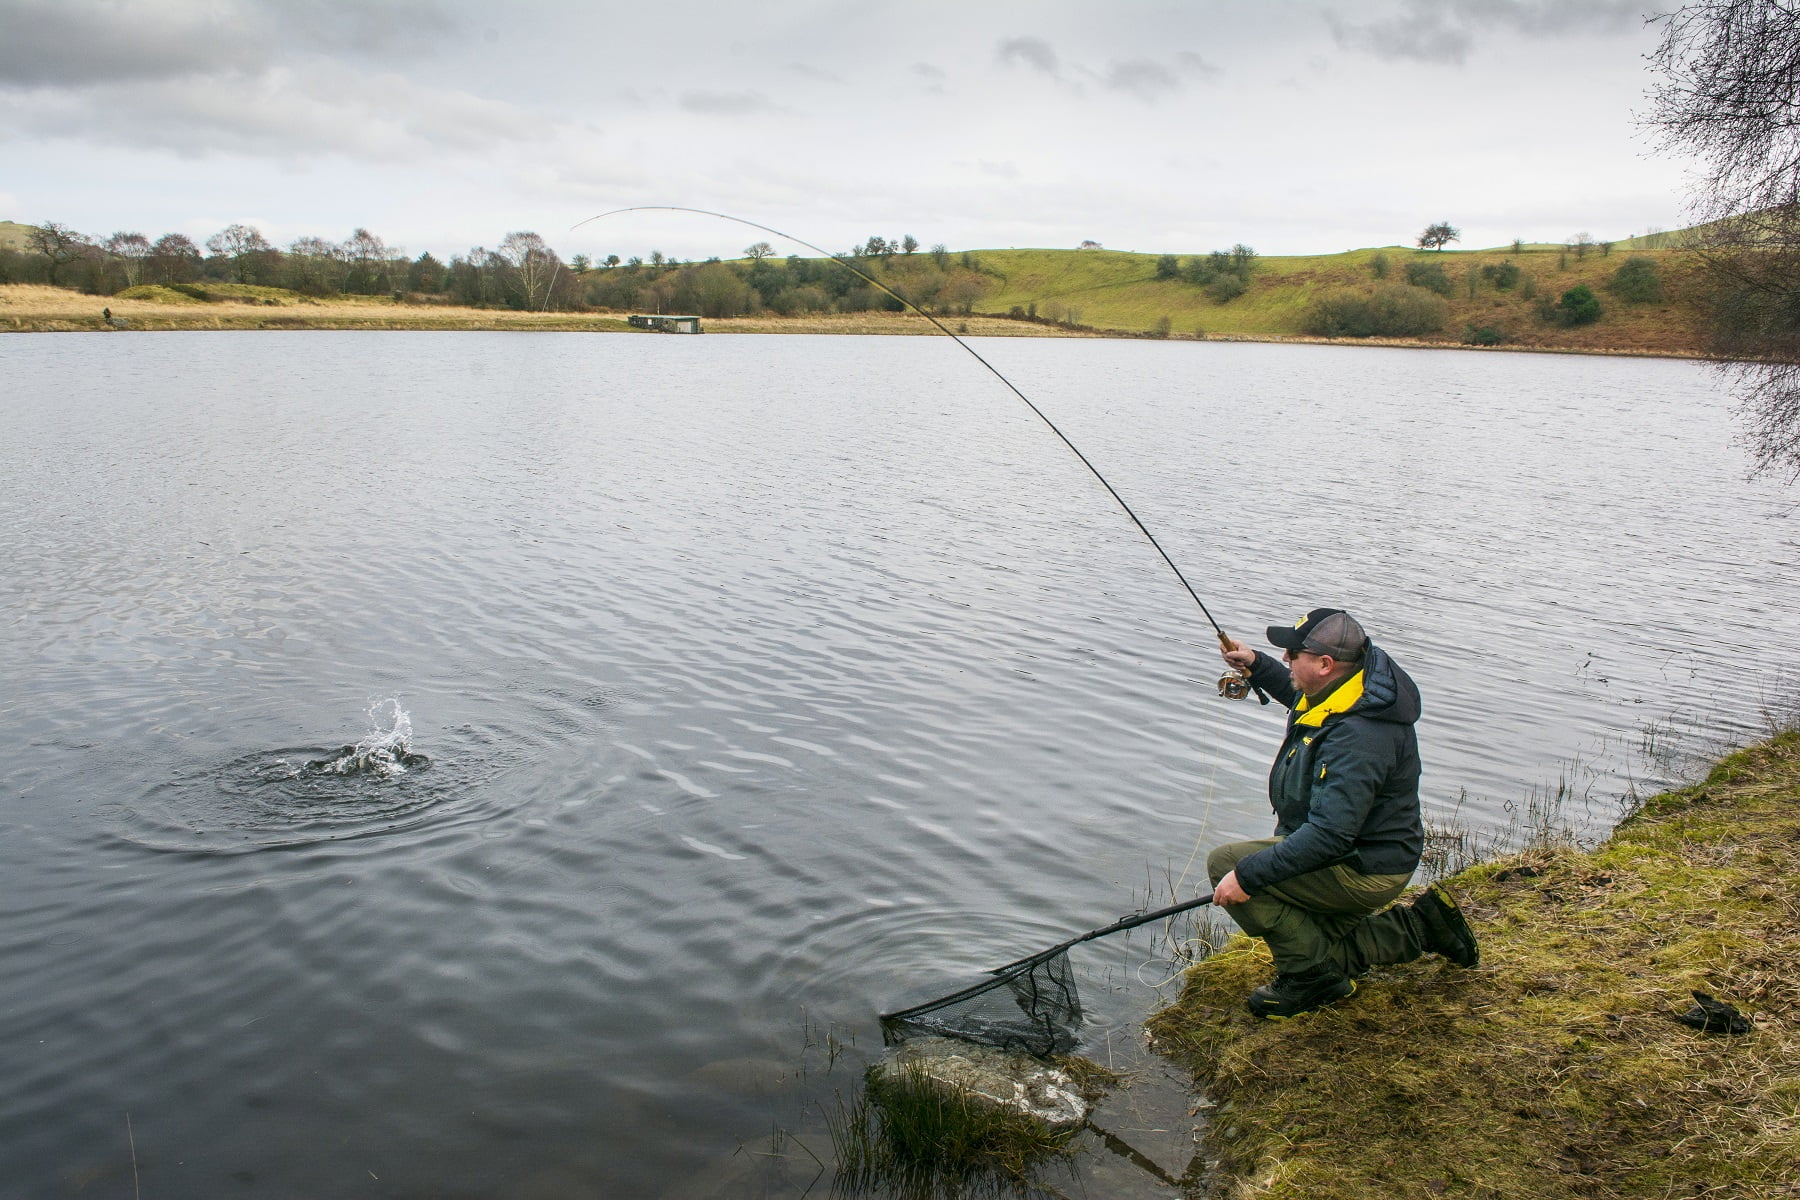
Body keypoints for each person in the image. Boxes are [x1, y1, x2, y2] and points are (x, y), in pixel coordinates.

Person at [1209, 607, 1478, 1018]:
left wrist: (1247, 876)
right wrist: (1256, 665)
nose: (1286, 659)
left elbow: (1329, 837)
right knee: (1286, 887)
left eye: (1292, 654)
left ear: (1324, 663)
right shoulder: (1350, 690)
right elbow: (1301, 695)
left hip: (1364, 866)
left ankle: (1313, 976)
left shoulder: (1359, 736)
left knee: (1227, 862)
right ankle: (1419, 928)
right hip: (1359, 852)